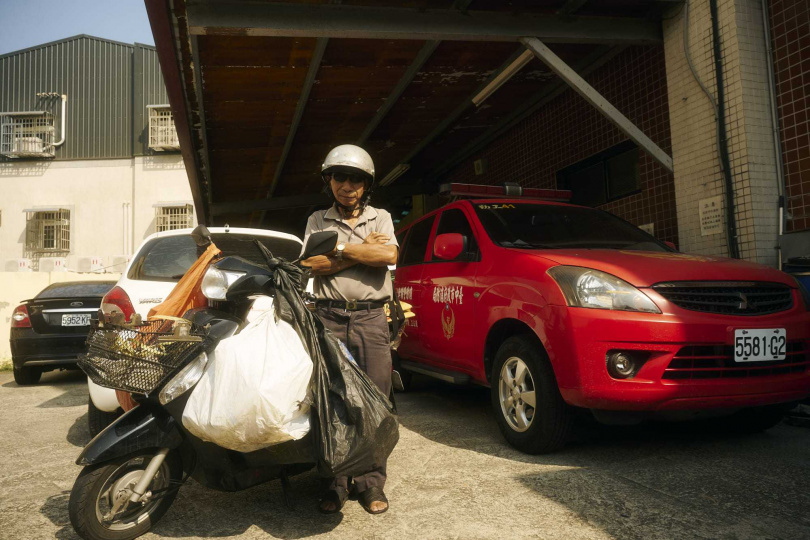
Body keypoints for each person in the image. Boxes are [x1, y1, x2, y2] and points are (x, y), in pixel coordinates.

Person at [301, 144, 399, 515]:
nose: (347, 186)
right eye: (339, 177)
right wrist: (359, 250)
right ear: (329, 180)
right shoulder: (317, 220)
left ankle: (371, 483)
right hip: (329, 317)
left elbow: (387, 256)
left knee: (375, 401)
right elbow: (311, 264)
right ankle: (335, 483)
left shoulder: (381, 217)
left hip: (371, 319)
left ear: (366, 185)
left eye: (355, 179)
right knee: (333, 401)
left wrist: (337, 250)